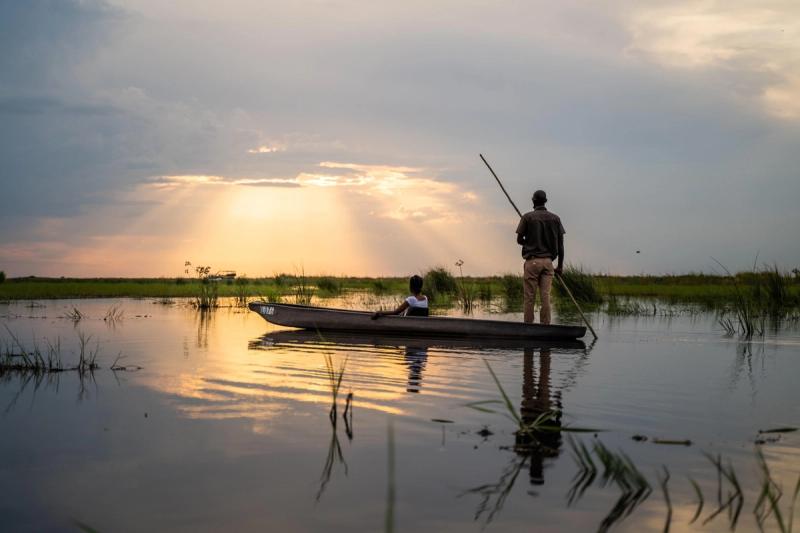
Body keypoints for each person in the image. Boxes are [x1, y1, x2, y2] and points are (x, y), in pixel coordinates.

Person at [515, 190, 565, 324]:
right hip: (548, 263)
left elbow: (519, 239)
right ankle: (545, 327)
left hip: (532, 262)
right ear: (545, 201)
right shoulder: (556, 218)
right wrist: (559, 266)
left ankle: (529, 326)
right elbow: (560, 246)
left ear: (533, 201)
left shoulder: (527, 217)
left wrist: (529, 241)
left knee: (529, 297)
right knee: (546, 296)